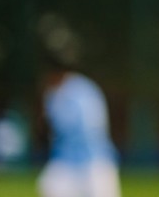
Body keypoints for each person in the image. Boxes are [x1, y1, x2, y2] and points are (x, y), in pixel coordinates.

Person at [37, 56, 121, 197]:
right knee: (49, 186)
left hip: (94, 159)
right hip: (65, 159)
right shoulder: (53, 92)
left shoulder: (81, 91)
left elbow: (87, 128)